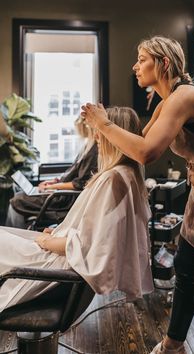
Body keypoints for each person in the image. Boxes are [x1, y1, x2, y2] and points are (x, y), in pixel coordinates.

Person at [82, 36, 194, 354]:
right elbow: (137, 142)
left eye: (142, 59)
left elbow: (147, 153)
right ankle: (173, 345)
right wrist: (102, 134)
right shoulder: (164, 101)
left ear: (163, 63)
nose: (135, 66)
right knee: (186, 267)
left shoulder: (185, 96)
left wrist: (106, 122)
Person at [0, 106, 153, 312]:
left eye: (101, 129)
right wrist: (57, 233)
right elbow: (94, 235)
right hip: (61, 259)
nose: (96, 136)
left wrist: (49, 242)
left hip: (57, 268)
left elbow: (91, 247)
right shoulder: (129, 174)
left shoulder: (112, 179)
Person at [5, 117, 98, 229]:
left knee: (17, 201)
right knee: (19, 195)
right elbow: (71, 174)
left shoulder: (93, 152)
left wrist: (53, 186)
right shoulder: (87, 147)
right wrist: (53, 181)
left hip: (64, 199)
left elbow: (79, 184)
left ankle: (15, 235)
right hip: (60, 192)